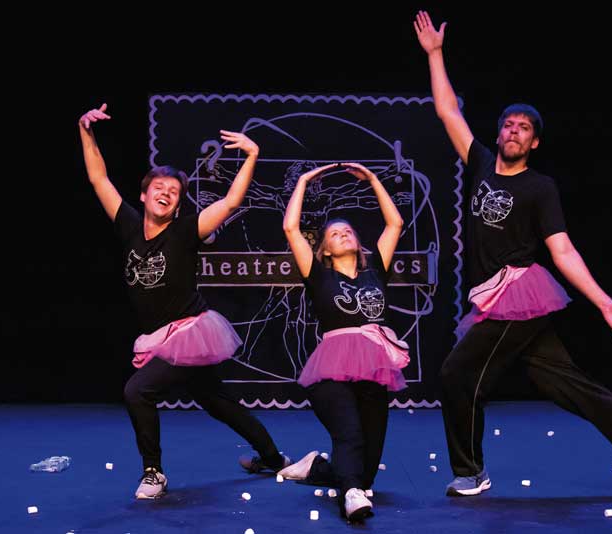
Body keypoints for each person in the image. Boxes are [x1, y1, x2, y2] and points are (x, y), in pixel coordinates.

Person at [413, 11, 612, 499]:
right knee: (566, 384)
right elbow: (447, 112)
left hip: (521, 292)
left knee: (456, 373)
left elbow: (562, 250)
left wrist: (603, 301)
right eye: (508, 124)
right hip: (490, 297)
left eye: (524, 128)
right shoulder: (481, 162)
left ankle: (470, 471)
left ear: (535, 141)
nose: (513, 130)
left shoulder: (539, 188)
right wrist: (436, 55)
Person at [78, 104, 290, 500]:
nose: (165, 194)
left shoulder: (185, 231)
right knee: (219, 403)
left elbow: (228, 204)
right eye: (158, 188)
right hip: (159, 335)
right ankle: (273, 458)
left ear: (178, 206)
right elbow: (98, 177)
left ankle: (154, 473)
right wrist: (85, 132)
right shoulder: (127, 224)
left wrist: (253, 156)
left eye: (173, 192)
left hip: (191, 332)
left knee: (137, 391)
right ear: (143, 195)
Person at [276, 162, 408, 521]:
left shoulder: (375, 270)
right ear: (326, 250)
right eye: (335, 233)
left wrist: (374, 180)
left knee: (366, 468)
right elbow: (290, 227)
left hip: (373, 367)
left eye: (348, 230)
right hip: (331, 368)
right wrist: (303, 180)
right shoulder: (318, 276)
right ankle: (349, 497)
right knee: (349, 435)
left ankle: (318, 467)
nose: (344, 234)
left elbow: (395, 223)